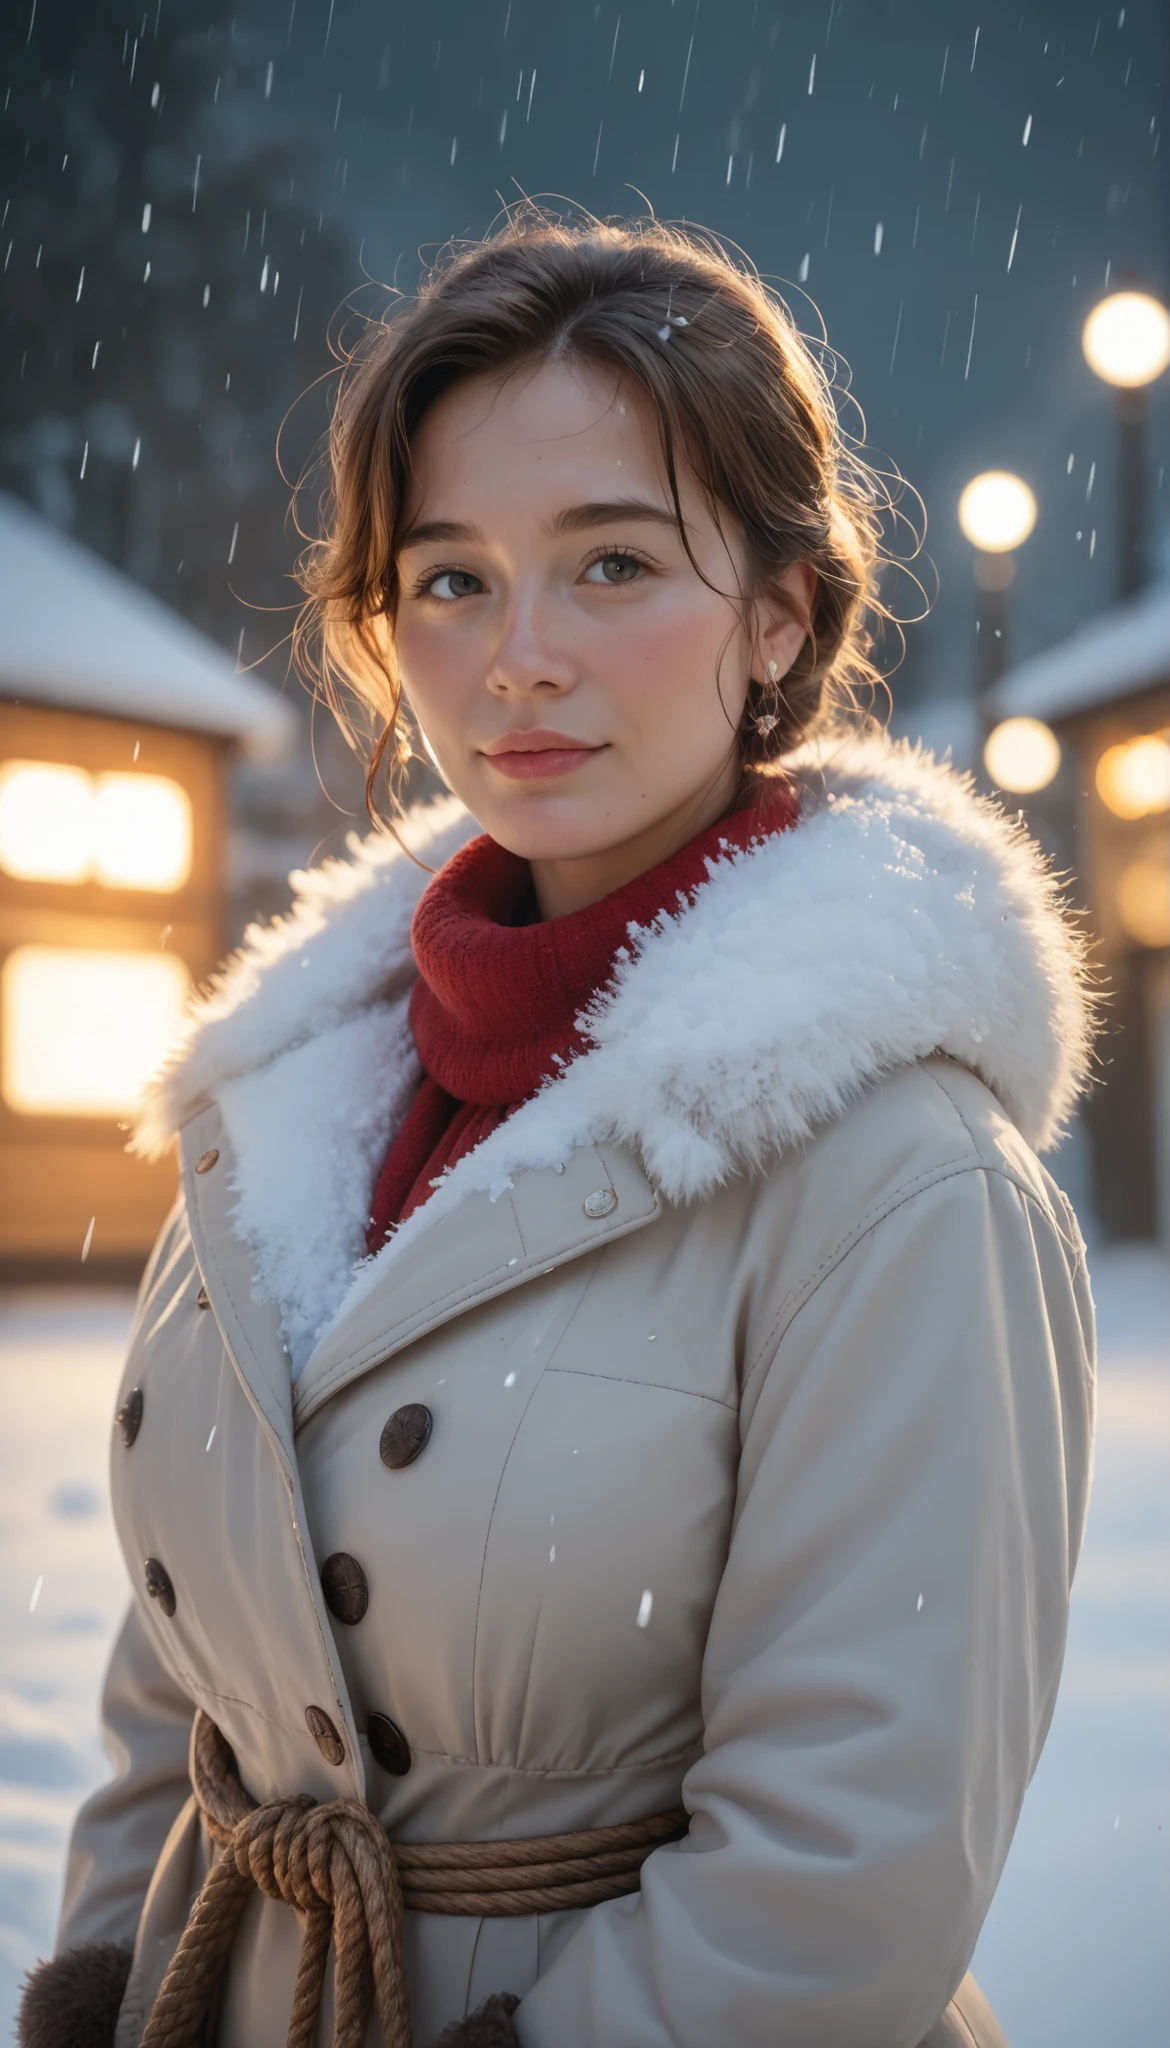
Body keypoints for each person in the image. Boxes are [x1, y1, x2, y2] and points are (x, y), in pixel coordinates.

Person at [20, 214, 1096, 2048]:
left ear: (780, 612)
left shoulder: (894, 1173)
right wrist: (106, 1988)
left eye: (612, 563)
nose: (517, 656)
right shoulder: (286, 1102)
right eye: (450, 579)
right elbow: (188, 1691)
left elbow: (841, 1872)